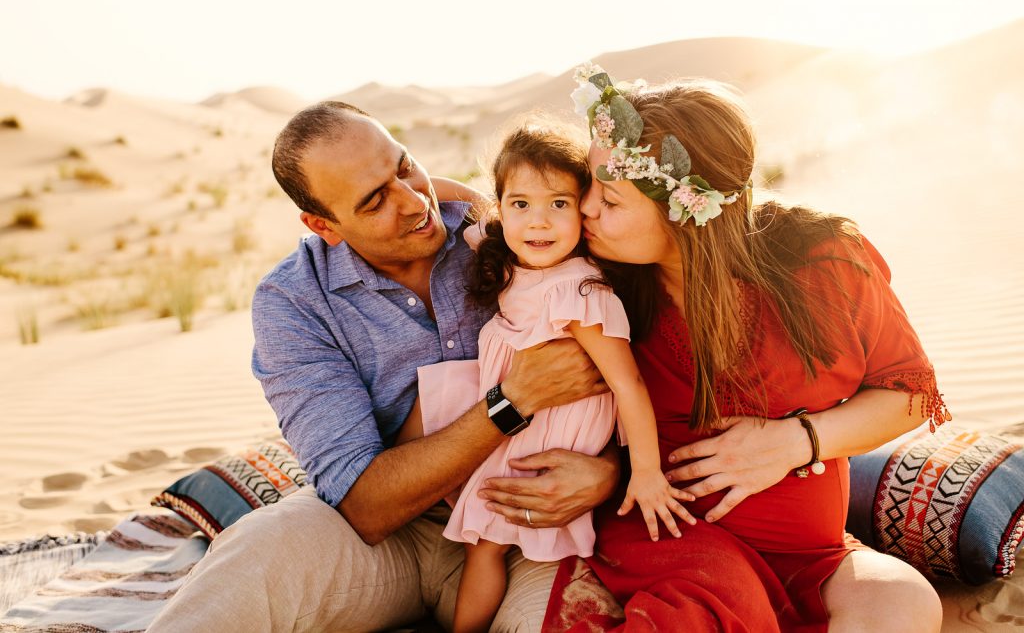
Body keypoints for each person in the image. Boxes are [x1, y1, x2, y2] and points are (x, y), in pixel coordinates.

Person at [146, 101, 622, 633]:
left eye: (404, 167)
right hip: (388, 541)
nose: (414, 202)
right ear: (323, 224)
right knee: (253, 554)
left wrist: (610, 472)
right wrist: (512, 402)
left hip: (526, 526)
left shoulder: (510, 229)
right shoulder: (294, 301)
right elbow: (362, 505)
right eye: (374, 202)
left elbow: (641, 368)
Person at [538, 64, 951, 632]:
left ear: (686, 215)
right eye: (590, 186)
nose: (585, 210)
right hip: (678, 544)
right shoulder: (602, 290)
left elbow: (911, 395)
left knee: (904, 605)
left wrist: (797, 441)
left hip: (815, 557)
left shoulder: (824, 258)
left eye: (609, 200)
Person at [397, 124, 695, 632]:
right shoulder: (511, 260)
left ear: (583, 207)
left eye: (559, 204)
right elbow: (471, 201)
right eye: (520, 205)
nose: (538, 222)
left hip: (550, 440)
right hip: (512, 427)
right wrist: (419, 188)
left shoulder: (577, 292)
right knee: (484, 548)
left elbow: (629, 384)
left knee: (488, 545)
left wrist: (645, 471)